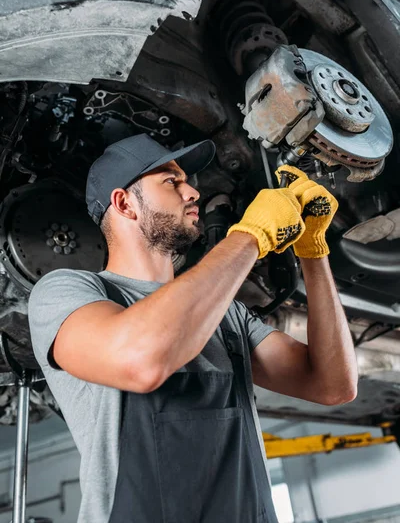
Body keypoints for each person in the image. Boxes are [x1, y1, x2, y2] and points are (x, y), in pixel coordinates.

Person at [28, 133, 358, 523]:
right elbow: (143, 361)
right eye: (172, 181)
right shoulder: (70, 291)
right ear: (124, 203)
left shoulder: (223, 313)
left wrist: (313, 251)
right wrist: (249, 235)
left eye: (188, 182)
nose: (193, 193)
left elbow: (332, 384)